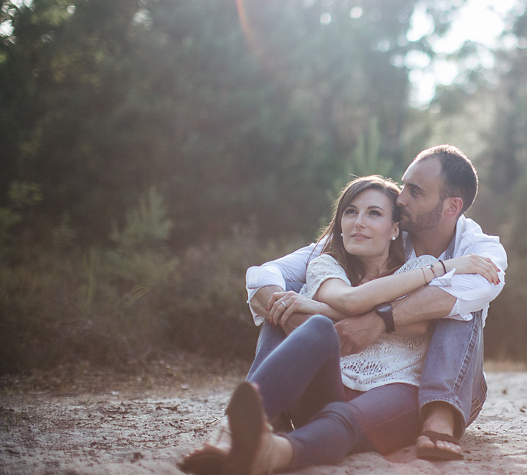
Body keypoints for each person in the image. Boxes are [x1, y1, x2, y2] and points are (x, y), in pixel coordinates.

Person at [179, 175, 500, 473]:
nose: (359, 223)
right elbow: (349, 300)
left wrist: (317, 306)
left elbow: (418, 325)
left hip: (396, 390)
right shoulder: (326, 264)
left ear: (394, 229)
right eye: (350, 212)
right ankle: (233, 434)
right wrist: (315, 308)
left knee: (345, 415)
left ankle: (272, 452)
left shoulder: (421, 267)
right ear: (340, 223)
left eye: (374, 213)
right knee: (290, 314)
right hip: (332, 385)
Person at [243, 144, 506, 460]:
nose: (401, 198)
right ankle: (259, 418)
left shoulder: (478, 249)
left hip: (445, 387)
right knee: (289, 296)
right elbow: (268, 273)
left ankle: (440, 416)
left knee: (460, 304)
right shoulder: (379, 229)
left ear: (451, 206)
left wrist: (377, 320)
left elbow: (453, 299)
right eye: (403, 184)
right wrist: (287, 310)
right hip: (350, 369)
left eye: (415, 192)